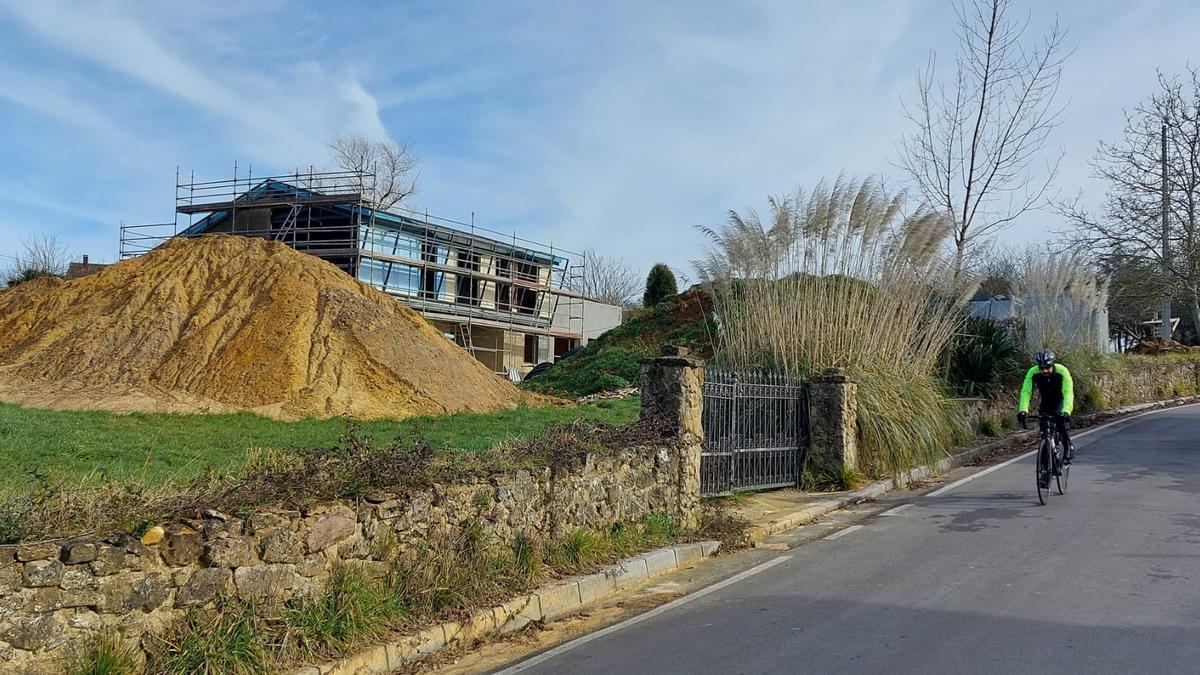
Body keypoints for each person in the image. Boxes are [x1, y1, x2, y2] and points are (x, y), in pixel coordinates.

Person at [1017, 349, 1074, 486]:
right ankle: (1045, 473)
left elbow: (1068, 392)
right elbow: (1026, 392)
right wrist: (1023, 410)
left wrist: (1067, 411)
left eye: (1048, 367)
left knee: (1060, 421)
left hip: (1060, 401)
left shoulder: (1062, 371)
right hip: (1046, 403)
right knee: (1045, 436)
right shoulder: (1033, 372)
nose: (1045, 371)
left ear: (1052, 364)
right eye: (1041, 368)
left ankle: (1068, 446)